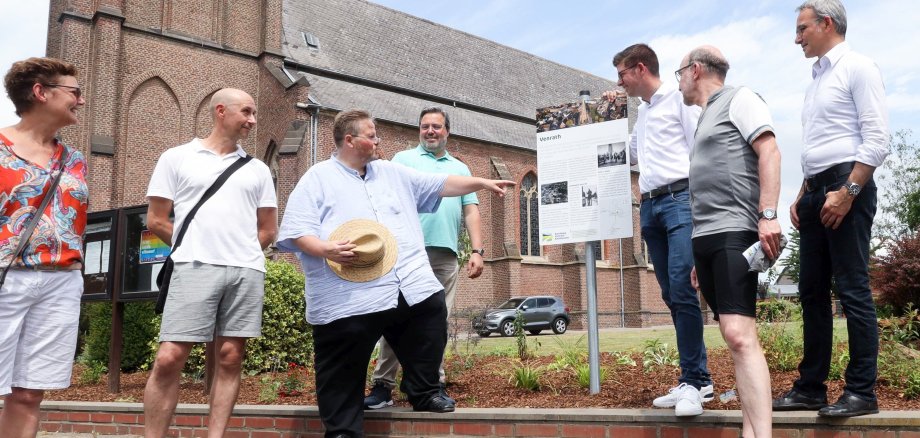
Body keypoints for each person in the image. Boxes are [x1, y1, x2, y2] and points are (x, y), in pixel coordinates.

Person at [277, 109, 514, 438]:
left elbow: (442, 183)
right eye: (372, 135)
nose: (378, 141)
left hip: (406, 280)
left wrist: (482, 183)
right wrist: (325, 249)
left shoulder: (392, 172)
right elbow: (297, 231)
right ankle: (343, 429)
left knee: (429, 318)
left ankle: (425, 391)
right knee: (343, 361)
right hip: (349, 292)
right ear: (350, 140)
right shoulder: (317, 179)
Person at [774, 0, 889, 418]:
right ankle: (811, 388)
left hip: (847, 185)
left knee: (853, 288)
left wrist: (848, 191)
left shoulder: (858, 66)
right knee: (811, 292)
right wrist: (803, 193)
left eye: (802, 28)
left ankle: (862, 392)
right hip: (816, 190)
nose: (796, 37)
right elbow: (819, 145)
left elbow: (877, 138)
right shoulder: (815, 80)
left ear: (826, 23)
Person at [142, 88, 278, 438]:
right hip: (193, 267)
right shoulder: (176, 157)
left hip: (246, 271)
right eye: (246, 112)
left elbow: (268, 229)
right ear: (221, 111)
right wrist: (196, 244)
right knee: (169, 357)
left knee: (231, 357)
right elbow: (156, 220)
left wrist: (241, 252)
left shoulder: (258, 169)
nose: (252, 120)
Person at [677, 45, 782, 437]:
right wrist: (695, 258)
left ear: (696, 70)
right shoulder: (705, 117)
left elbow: (769, 149)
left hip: (734, 230)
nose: (681, 82)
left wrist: (768, 214)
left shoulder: (740, 99)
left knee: (740, 336)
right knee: (732, 337)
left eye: (680, 73)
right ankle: (750, 430)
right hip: (706, 238)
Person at [605, 43, 712, 416]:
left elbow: (701, 150)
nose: (619, 82)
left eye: (621, 74)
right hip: (650, 206)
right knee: (670, 292)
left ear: (639, 69)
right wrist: (611, 114)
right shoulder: (644, 112)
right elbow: (629, 155)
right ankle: (699, 379)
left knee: (683, 288)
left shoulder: (679, 100)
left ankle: (694, 382)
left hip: (680, 200)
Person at [363, 107, 484, 409]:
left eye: (437, 127)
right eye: (425, 126)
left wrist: (478, 251)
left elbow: (471, 210)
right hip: (405, 254)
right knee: (394, 317)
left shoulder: (461, 168)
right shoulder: (403, 160)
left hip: (445, 255)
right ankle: (382, 386)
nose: (430, 131)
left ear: (447, 132)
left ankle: (433, 384)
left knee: (437, 323)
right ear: (419, 130)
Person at [0, 57, 88, 438]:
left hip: (61, 283)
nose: (80, 101)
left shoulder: (74, 160)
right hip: (7, 281)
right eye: (74, 92)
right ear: (41, 92)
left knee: (28, 394)